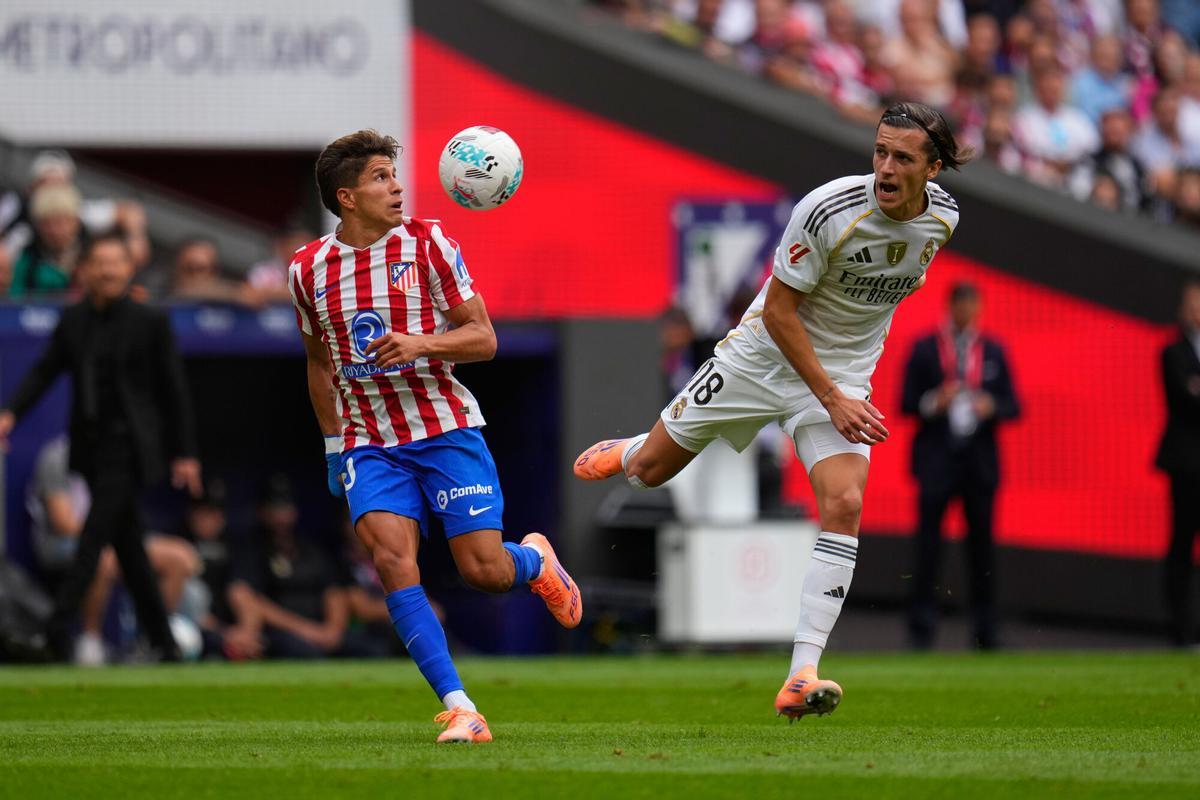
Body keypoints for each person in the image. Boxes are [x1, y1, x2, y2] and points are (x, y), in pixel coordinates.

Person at [575, 101, 971, 720]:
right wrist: (832, 397)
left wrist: (843, 387)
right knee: (651, 471)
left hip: (840, 376)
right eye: (879, 152)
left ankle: (801, 672)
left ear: (935, 168)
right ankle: (629, 447)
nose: (885, 168)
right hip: (760, 359)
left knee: (844, 503)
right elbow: (782, 312)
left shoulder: (942, 219)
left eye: (902, 158)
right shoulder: (827, 209)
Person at [288, 129, 582, 744]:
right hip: (370, 442)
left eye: (394, 174)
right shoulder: (307, 269)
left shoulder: (428, 243)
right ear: (346, 197)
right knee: (394, 562)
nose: (396, 186)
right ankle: (461, 707)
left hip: (445, 429)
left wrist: (422, 342)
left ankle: (533, 560)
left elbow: (484, 338)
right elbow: (319, 362)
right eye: (378, 177)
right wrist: (332, 446)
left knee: (485, 572)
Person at [0, 232, 202, 662]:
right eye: (100, 262)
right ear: (85, 270)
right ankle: (164, 643)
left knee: (93, 538)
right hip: (89, 447)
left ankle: (53, 632)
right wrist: (10, 412)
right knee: (130, 549)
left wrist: (185, 452)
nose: (108, 270)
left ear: (129, 269)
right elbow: (44, 371)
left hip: (131, 448)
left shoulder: (150, 320)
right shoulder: (73, 320)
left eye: (116, 262)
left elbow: (174, 391)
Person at [900, 282, 1019, 650]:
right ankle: (921, 629)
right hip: (937, 461)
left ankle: (986, 629)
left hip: (979, 464)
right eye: (961, 305)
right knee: (929, 547)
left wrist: (991, 406)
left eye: (973, 305)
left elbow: (1014, 406)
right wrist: (937, 400)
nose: (967, 312)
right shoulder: (925, 349)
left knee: (981, 549)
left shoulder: (994, 350)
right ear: (951, 307)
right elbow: (905, 403)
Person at [27, 435, 200, 664]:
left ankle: (152, 639)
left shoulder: (117, 459)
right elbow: (62, 522)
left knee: (180, 557)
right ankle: (91, 642)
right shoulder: (57, 457)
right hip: (63, 542)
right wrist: (109, 530)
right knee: (102, 556)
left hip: (112, 537)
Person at [1155, 279, 1200, 647]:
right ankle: (1180, 630)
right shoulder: (1173, 352)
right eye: (1191, 303)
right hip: (1185, 464)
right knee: (1182, 545)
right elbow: (1183, 400)